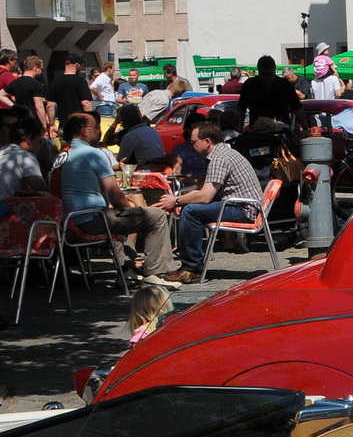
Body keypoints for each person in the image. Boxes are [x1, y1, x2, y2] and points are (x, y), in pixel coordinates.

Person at [57, 113, 180, 288]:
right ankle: (157, 272)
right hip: (89, 220)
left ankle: (127, 269)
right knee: (156, 215)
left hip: (67, 222)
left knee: (117, 218)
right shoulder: (93, 154)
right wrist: (130, 211)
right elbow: (115, 195)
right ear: (84, 131)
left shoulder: (63, 155)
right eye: (96, 127)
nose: (99, 131)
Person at [155, 122, 268, 283]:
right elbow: (205, 189)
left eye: (193, 142)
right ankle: (190, 265)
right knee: (191, 207)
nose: (191, 146)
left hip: (242, 209)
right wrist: (183, 199)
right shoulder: (223, 153)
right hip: (241, 205)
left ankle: (192, 268)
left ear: (207, 141)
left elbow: (205, 197)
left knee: (191, 211)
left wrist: (177, 200)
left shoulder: (219, 158)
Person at [238, 57, 300, 129]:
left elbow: (297, 107)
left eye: (269, 74)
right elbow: (241, 108)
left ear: (274, 70)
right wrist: (240, 128)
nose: (266, 77)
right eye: (262, 74)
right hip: (257, 132)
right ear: (258, 70)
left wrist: (305, 128)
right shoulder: (249, 85)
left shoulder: (284, 84)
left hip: (280, 131)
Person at [0, 110, 47, 200]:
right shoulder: (25, 157)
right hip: (4, 208)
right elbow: (41, 187)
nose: (41, 146)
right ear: (29, 139)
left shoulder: (3, 152)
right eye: (41, 141)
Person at [47, 56, 94, 134]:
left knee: (65, 146)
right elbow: (86, 103)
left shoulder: (56, 81)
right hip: (79, 125)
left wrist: (52, 125)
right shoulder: (80, 81)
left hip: (64, 125)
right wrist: (91, 123)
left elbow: (50, 105)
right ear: (77, 65)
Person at [8, 56, 49, 134]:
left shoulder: (16, 82)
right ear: (36, 68)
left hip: (20, 119)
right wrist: (44, 127)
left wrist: (13, 105)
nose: (42, 71)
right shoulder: (36, 84)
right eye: (42, 69)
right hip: (33, 120)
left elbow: (1, 95)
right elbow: (39, 107)